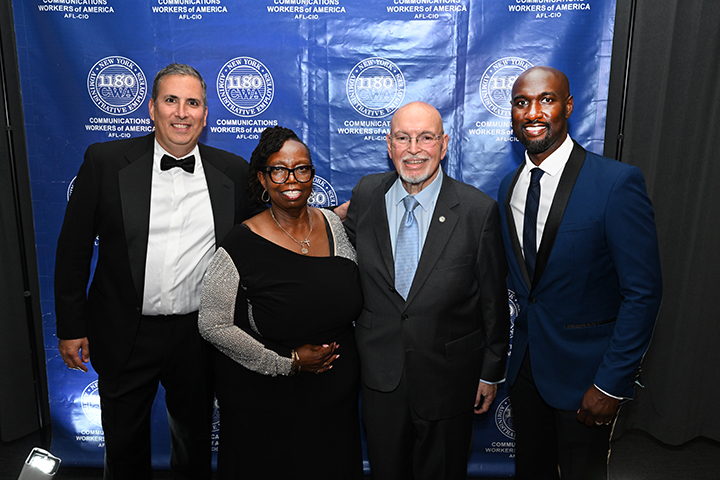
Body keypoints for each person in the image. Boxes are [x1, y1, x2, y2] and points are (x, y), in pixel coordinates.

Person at [55, 63, 257, 479]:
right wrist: (71, 327)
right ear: (152, 109)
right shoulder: (105, 161)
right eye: (171, 100)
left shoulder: (233, 172)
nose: (182, 112)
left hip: (198, 336)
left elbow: (268, 231)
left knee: (194, 446)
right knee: (123, 449)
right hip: (124, 331)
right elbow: (73, 249)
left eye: (193, 103)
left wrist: (331, 217)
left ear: (205, 115)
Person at [498, 66, 663, 479]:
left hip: (587, 379)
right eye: (521, 103)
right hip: (527, 375)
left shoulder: (615, 183)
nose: (533, 112)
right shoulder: (509, 186)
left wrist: (611, 383)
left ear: (568, 106)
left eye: (546, 100)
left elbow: (642, 293)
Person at [344, 101, 510, 480]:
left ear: (444, 144)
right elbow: (337, 248)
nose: (414, 149)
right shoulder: (367, 194)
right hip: (381, 377)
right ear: (389, 145)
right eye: (403, 138)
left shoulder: (477, 210)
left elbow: (493, 302)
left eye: (426, 138)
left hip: (449, 379)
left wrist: (490, 372)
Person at [198, 126, 364, 479]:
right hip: (267, 404)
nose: (292, 179)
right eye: (279, 170)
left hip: (335, 402)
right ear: (262, 177)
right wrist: (288, 362)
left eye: (301, 169)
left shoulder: (333, 225)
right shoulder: (239, 243)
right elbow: (212, 324)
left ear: (312, 175)